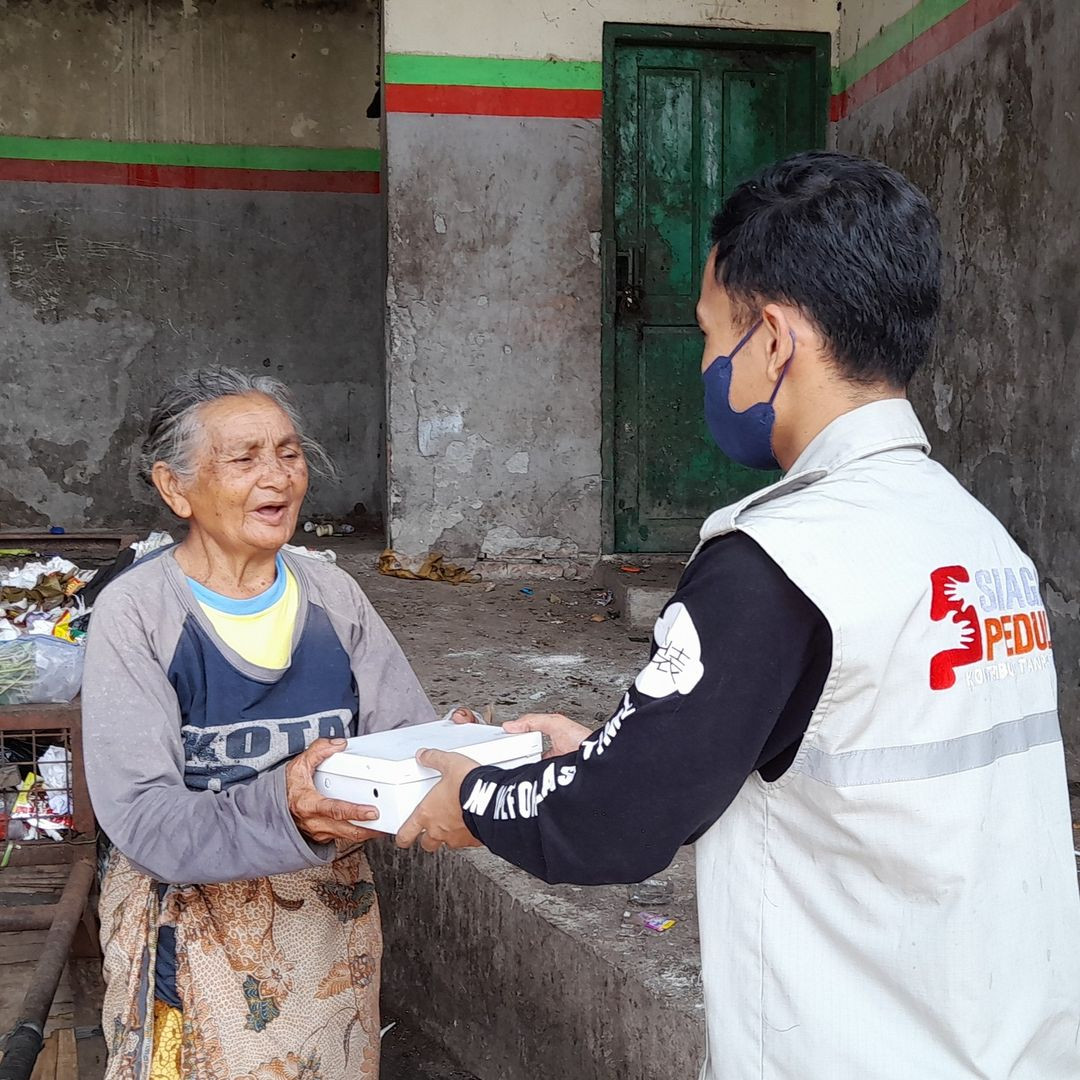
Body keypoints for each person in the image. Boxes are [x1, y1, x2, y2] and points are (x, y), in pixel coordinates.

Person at [396, 152, 1080, 1078]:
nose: (708, 365)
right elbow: (804, 735)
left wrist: (468, 800)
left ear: (774, 340)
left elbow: (618, 822)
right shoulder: (978, 537)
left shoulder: (782, 559)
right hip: (1012, 1046)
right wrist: (610, 746)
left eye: (712, 335)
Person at [83, 368, 438, 1080]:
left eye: (288, 453)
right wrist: (286, 805)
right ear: (175, 488)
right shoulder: (138, 614)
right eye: (243, 459)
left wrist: (464, 751)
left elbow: (405, 736)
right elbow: (146, 818)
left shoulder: (333, 594)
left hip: (330, 922)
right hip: (196, 931)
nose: (276, 477)